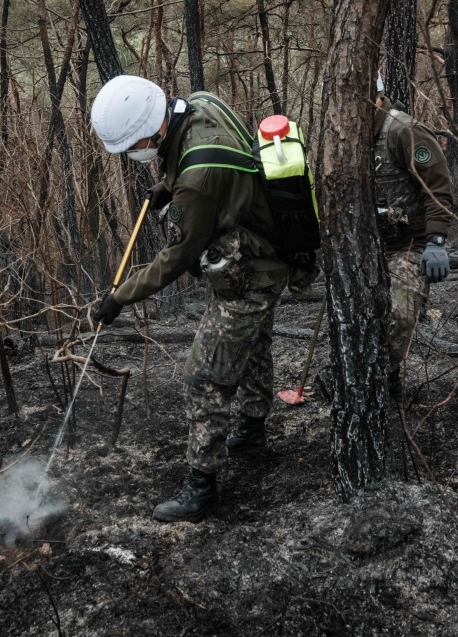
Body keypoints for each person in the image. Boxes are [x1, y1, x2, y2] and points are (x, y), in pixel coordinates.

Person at [89, 76, 311, 523]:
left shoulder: (198, 180)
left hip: (251, 272)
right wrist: (166, 186)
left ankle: (201, 488)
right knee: (253, 350)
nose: (136, 153)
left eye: (135, 145)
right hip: (270, 251)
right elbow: (203, 158)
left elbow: (178, 257)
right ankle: (250, 432)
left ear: (152, 131)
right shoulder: (202, 103)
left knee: (204, 378)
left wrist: (120, 298)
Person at [371, 81, 453, 395]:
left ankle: (382, 377)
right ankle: (381, 382)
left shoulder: (405, 131)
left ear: (377, 96)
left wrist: (436, 241)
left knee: (399, 315)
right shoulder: (346, 136)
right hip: (369, 247)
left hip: (411, 245)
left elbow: (438, 187)